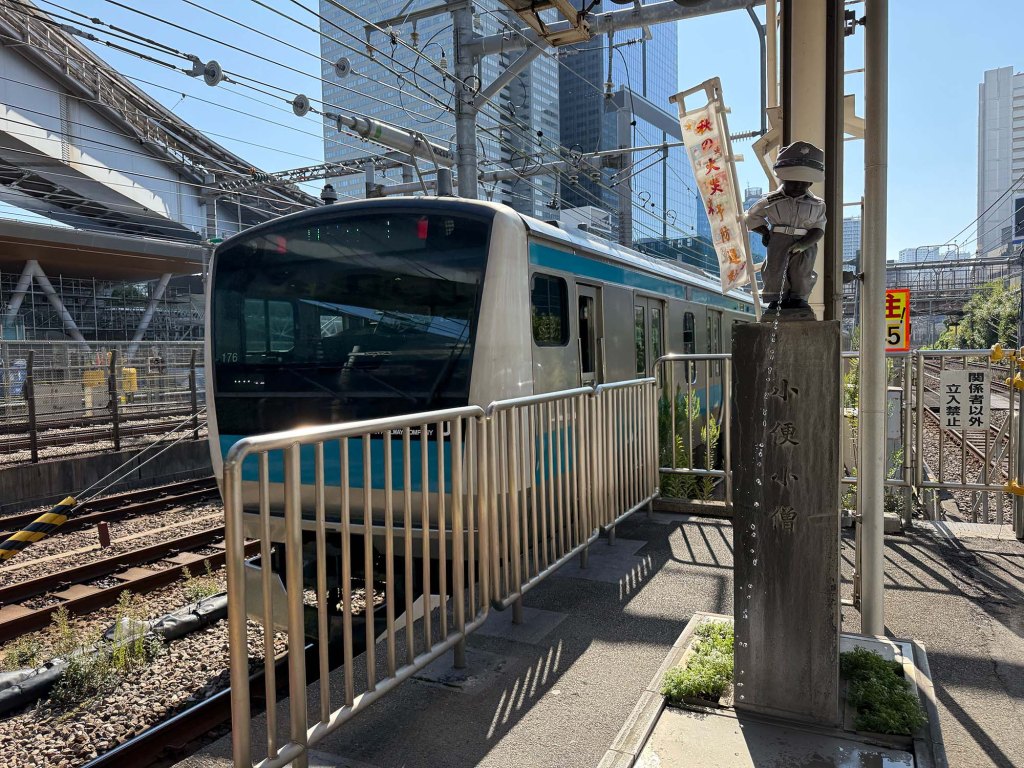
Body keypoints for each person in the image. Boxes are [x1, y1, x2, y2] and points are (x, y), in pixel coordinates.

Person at [744, 141, 826, 318]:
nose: (798, 186)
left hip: (805, 243)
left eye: (803, 182)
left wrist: (805, 244)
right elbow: (751, 217)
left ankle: (799, 298)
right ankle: (776, 298)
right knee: (775, 269)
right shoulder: (770, 200)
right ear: (783, 178)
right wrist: (765, 232)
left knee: (802, 271)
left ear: (810, 182)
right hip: (778, 240)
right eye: (793, 181)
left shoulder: (818, 204)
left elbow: (819, 228)